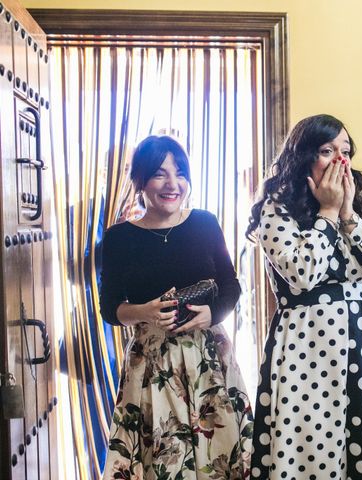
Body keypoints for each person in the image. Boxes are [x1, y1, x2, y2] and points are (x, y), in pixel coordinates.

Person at [246, 114, 362, 479]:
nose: (339, 160)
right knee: (304, 448)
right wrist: (328, 213)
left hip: (357, 342)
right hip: (304, 347)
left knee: (361, 444)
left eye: (345, 151)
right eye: (327, 150)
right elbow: (303, 275)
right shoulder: (278, 208)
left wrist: (348, 213)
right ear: (304, 156)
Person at [99, 135, 253, 480]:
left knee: (221, 457)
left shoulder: (204, 223)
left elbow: (230, 285)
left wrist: (213, 314)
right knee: (161, 462)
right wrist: (144, 311)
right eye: (159, 174)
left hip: (209, 358)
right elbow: (110, 308)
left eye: (180, 173)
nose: (173, 184)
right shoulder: (119, 237)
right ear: (140, 181)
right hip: (152, 361)